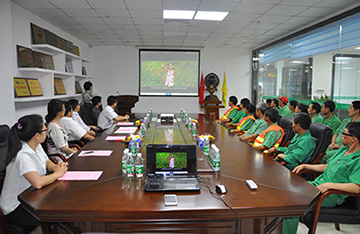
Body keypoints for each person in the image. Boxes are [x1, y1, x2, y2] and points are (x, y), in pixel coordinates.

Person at [282, 121, 360, 234]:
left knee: (291, 204)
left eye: (344, 133)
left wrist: (328, 185)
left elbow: (357, 187)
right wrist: (305, 165)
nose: (341, 135)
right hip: (317, 185)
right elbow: (328, 167)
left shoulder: (357, 159)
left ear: (353, 139)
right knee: (284, 192)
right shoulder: (343, 150)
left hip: (330, 194)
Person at [0, 115, 68, 233]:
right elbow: (37, 183)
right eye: (44, 129)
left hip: (31, 197)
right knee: (57, 215)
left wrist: (56, 167)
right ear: (37, 135)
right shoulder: (22, 156)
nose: (46, 130)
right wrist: (57, 174)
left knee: (62, 206)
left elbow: (46, 162)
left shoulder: (35, 145)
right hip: (15, 207)